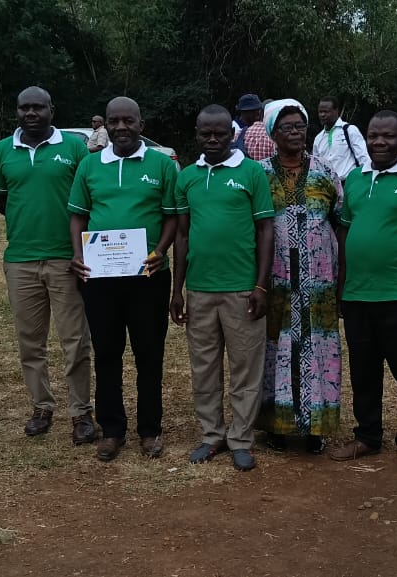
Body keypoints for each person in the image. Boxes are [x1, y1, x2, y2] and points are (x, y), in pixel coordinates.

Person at [328, 110, 397, 476]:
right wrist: (342, 283)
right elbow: (345, 232)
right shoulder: (356, 180)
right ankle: (367, 437)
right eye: (374, 135)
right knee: (363, 370)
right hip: (359, 295)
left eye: (388, 136)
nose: (380, 142)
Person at [69, 96, 179, 461]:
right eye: (114, 121)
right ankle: (112, 430)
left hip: (148, 274)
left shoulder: (162, 165)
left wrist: (162, 250)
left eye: (127, 121)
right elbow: (78, 216)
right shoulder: (89, 165)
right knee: (107, 352)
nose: (120, 127)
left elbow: (171, 217)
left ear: (141, 124)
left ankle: (150, 430)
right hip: (100, 277)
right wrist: (78, 255)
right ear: (106, 126)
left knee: (150, 353)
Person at [0, 87, 96, 444]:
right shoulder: (1, 151)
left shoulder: (74, 148)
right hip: (21, 259)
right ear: (16, 111)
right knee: (30, 342)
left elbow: (88, 197)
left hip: (67, 258)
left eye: (38, 107)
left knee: (75, 340)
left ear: (52, 109)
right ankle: (42, 406)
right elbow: (3, 201)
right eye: (24, 107)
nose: (31, 113)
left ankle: (81, 412)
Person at [171, 104, 274, 471]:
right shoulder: (187, 177)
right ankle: (212, 435)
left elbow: (266, 230)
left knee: (246, 368)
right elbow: (181, 236)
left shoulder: (251, 173)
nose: (212, 139)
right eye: (205, 133)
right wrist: (176, 289)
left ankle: (241, 439)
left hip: (242, 289)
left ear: (233, 134)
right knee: (204, 367)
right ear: (196, 134)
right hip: (200, 289)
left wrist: (261, 285)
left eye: (220, 133)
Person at [258, 99, 344, 454]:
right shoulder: (258, 174)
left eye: (300, 126)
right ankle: (276, 426)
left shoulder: (325, 172)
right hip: (276, 283)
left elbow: (340, 224)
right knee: (277, 349)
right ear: (273, 133)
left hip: (318, 284)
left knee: (319, 350)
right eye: (287, 127)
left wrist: (340, 279)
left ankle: (315, 428)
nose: (295, 132)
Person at [312, 96, 370, 185]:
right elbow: (316, 166)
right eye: (320, 112)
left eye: (326, 111)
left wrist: (366, 181)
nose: (322, 115)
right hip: (327, 188)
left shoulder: (349, 130)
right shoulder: (318, 138)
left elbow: (363, 158)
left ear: (336, 111)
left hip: (349, 184)